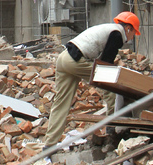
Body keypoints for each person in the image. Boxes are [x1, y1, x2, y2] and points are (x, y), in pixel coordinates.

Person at [44, 11, 141, 147]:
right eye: (133, 33)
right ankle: (111, 128)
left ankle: (49, 145)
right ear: (128, 28)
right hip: (76, 61)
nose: (132, 38)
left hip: (64, 59)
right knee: (110, 85)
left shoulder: (108, 29)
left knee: (61, 104)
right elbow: (105, 64)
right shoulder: (117, 34)